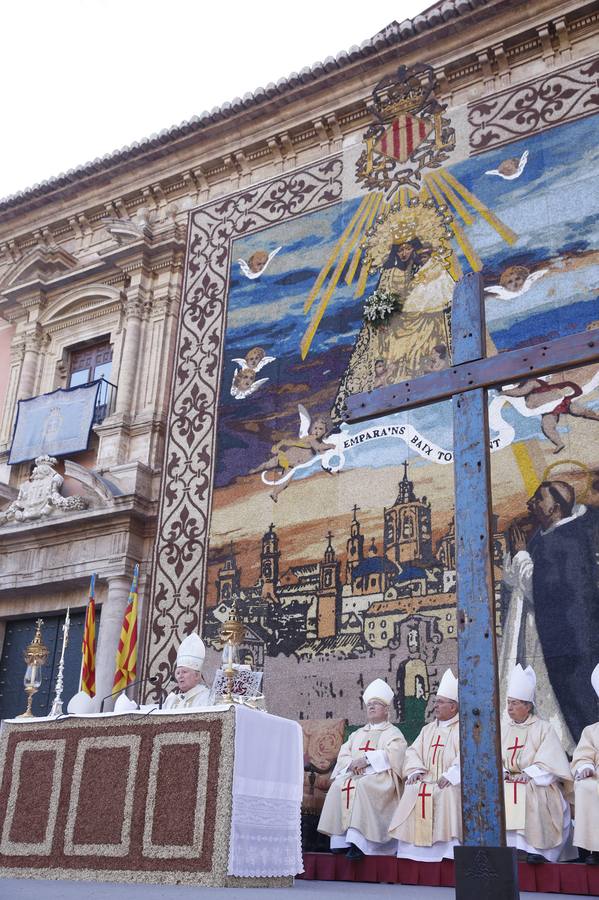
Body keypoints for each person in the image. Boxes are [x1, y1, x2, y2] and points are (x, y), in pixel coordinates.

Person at [500, 480, 599, 745]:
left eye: (537, 499)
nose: (529, 504)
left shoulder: (567, 541)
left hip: (569, 643)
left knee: (575, 706)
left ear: (554, 507)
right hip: (545, 638)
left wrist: (521, 556)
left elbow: (542, 591)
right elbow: (517, 583)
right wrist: (517, 555)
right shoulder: (541, 538)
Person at [317, 678, 407, 860]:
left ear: (386, 710)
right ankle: (340, 842)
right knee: (338, 786)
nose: (371, 707)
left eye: (376, 704)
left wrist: (367, 761)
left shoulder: (393, 733)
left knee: (362, 786)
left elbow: (396, 753)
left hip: (380, 777)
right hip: (354, 775)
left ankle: (362, 843)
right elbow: (344, 754)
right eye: (369, 705)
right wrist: (350, 763)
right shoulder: (358, 734)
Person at [502, 664, 572, 863]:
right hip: (508, 778)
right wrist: (504, 771)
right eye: (508, 703)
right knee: (500, 791)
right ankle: (507, 850)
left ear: (528, 706)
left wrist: (531, 773)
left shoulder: (543, 728)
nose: (510, 708)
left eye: (515, 703)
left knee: (531, 793)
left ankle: (534, 850)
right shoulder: (502, 728)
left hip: (537, 781)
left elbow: (552, 761)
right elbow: (494, 757)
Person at [389, 668, 462, 861]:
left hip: (450, 781)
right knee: (413, 789)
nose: (435, 706)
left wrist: (452, 775)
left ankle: (448, 850)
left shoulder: (462, 729)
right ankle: (410, 850)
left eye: (440, 702)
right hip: (427, 778)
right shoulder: (428, 729)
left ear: (453, 707)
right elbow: (413, 752)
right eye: (436, 702)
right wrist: (415, 770)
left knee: (447, 792)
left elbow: (466, 756)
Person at [571, 662, 599, 864]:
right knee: (585, 786)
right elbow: (583, 756)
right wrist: (586, 767)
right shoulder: (592, 731)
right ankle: (594, 850)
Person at [163, 632, 212, 709]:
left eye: (184, 672)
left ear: (197, 675)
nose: (180, 676)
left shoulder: (206, 697)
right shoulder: (171, 700)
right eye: (178, 673)